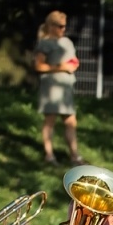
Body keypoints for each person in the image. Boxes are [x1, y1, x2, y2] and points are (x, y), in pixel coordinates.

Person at [35, 11, 83, 166]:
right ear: (51, 26)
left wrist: (73, 65)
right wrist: (60, 67)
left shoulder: (67, 42)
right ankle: (49, 155)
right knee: (50, 120)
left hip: (66, 87)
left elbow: (73, 60)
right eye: (60, 26)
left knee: (70, 121)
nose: (63, 29)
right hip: (51, 87)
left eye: (64, 26)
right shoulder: (45, 43)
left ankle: (75, 157)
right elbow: (39, 66)